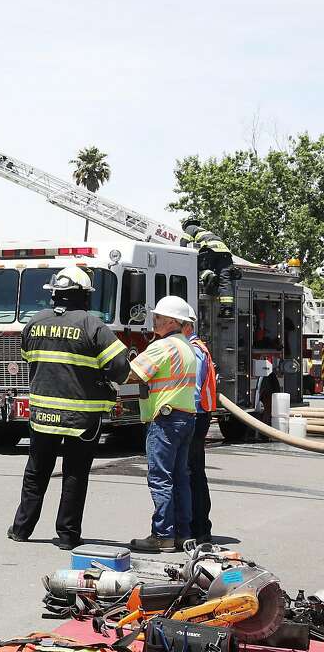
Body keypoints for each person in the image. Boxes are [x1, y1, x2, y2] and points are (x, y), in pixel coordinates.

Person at [8, 266, 129, 551]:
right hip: (81, 418)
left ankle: (21, 529)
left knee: (36, 472)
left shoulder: (34, 323)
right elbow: (120, 368)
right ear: (84, 296)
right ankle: (67, 535)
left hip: (42, 415)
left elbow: (27, 357)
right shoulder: (92, 325)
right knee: (74, 474)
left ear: (55, 294)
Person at [127, 296, 201, 553]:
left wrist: (108, 366)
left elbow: (134, 373)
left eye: (158, 317)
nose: (154, 321)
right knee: (180, 478)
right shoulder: (186, 346)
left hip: (165, 420)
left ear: (171, 321)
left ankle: (162, 535)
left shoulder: (162, 346)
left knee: (160, 478)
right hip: (186, 418)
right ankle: (182, 534)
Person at [182, 312, 217, 545]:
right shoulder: (197, 347)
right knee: (195, 471)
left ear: (185, 326)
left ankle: (199, 527)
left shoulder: (193, 350)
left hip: (194, 414)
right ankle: (200, 527)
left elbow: (193, 390)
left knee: (191, 472)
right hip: (200, 414)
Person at [179, 218, 234, 295]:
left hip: (210, 250)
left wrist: (182, 257)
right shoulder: (207, 232)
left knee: (195, 267)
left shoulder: (190, 227)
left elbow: (184, 241)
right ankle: (225, 302)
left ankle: (210, 276)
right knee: (224, 280)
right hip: (225, 253)